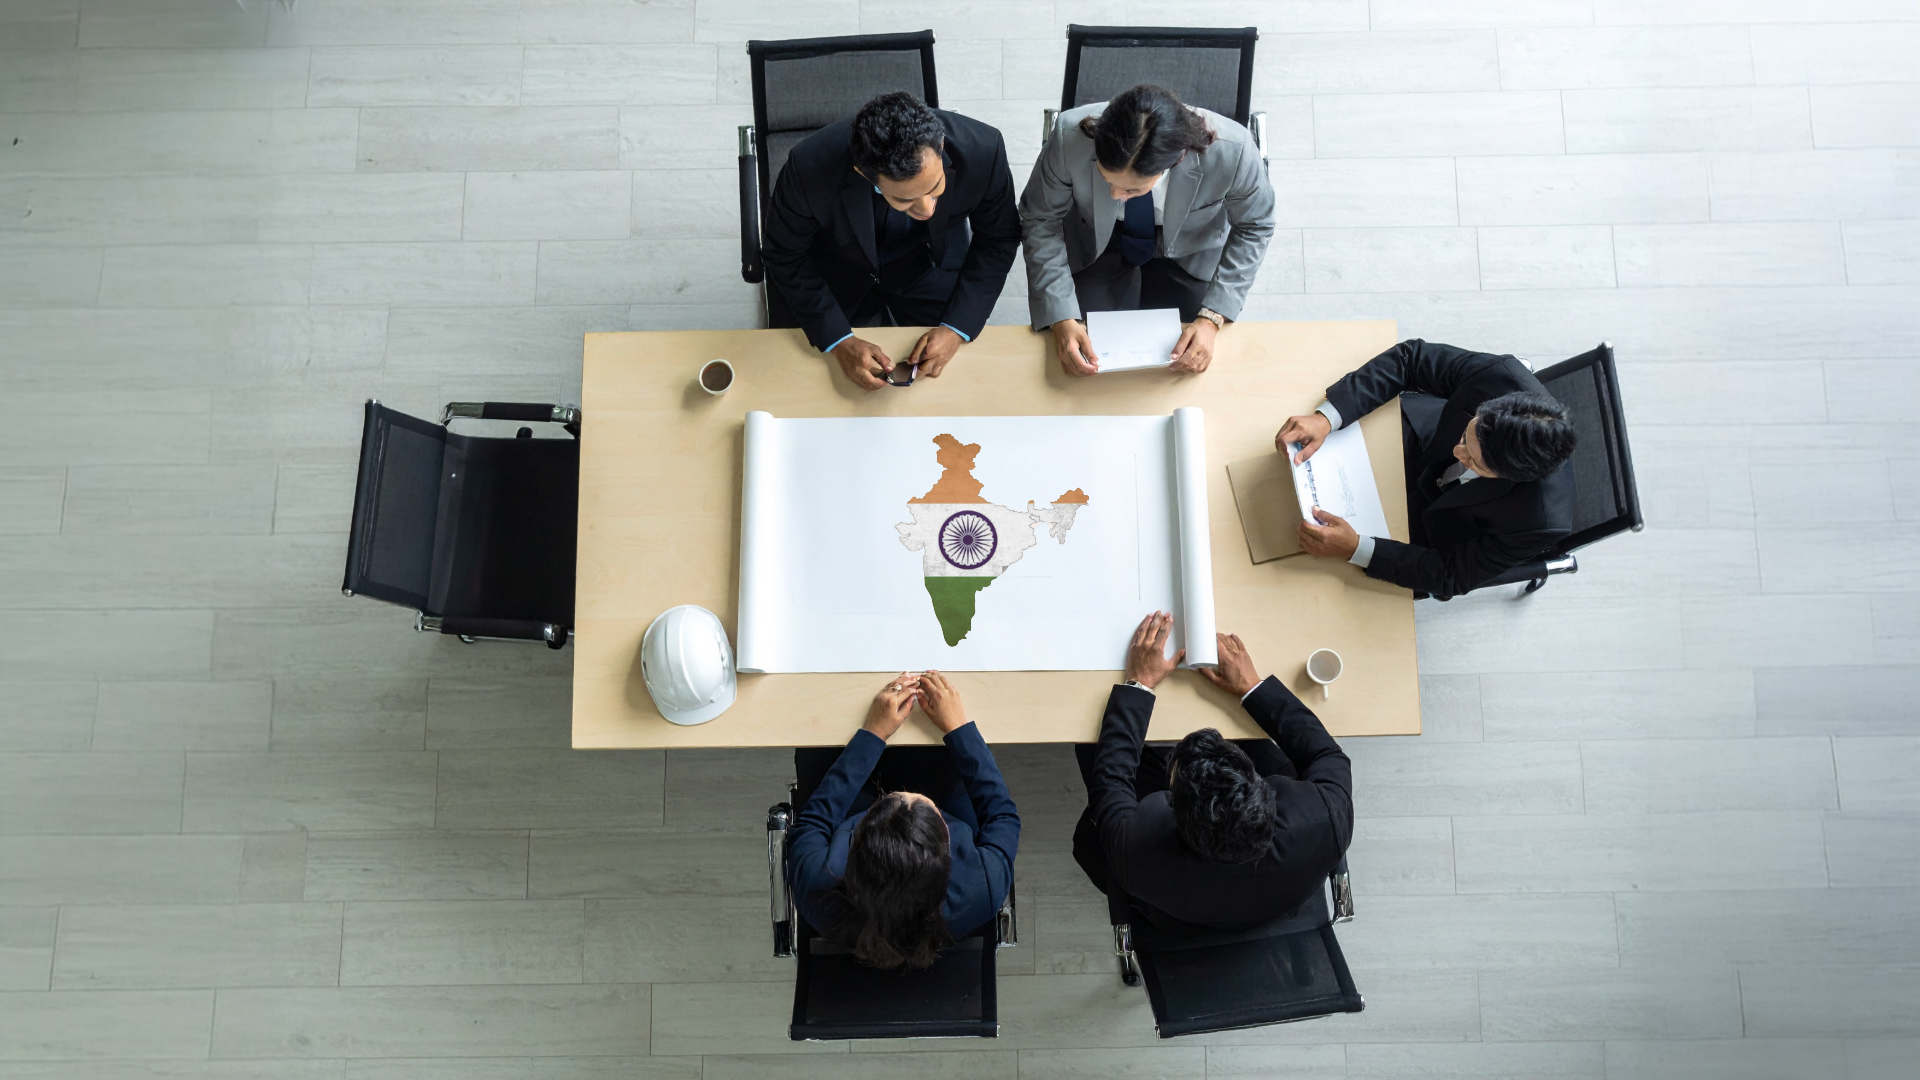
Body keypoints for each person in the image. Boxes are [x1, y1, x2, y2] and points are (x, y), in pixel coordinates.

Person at [1073, 612, 1353, 933]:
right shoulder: (1326, 816)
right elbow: (1326, 754)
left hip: (1182, 908)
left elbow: (1110, 778)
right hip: (1271, 898)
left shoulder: (1134, 848)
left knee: (1090, 745)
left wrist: (1139, 682)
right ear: (1264, 791)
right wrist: (1252, 687)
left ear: (1172, 809)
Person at [1277, 338, 1579, 600]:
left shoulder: (1539, 522)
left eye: (1474, 461)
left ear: (1513, 477)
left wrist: (1356, 549)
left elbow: (1450, 575)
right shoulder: (1500, 376)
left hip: (1426, 528)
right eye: (1466, 436)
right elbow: (1410, 360)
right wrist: (1328, 417)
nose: (1457, 452)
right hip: (1412, 438)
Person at [761, 91, 1021, 391]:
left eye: (935, 186)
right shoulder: (806, 168)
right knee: (803, 385)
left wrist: (956, 328)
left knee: (956, 384)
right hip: (837, 272)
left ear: (942, 146)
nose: (927, 208)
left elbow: (998, 238)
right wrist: (838, 339)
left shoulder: (983, 150)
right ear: (864, 174)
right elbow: (784, 255)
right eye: (906, 199)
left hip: (926, 263)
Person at [1019, 83, 1276, 377]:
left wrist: (1212, 316)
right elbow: (1039, 219)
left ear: (1176, 159)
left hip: (1191, 248)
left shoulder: (1235, 152)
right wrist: (1060, 315)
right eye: (1106, 178)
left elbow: (1256, 225)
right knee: (1085, 360)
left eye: (1131, 188)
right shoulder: (1069, 137)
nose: (1115, 195)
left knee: (1188, 365)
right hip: (1096, 239)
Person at [786, 670, 1020, 970]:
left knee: (821, 734)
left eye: (893, 800)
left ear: (855, 846)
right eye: (915, 801)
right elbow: (1002, 814)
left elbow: (813, 821)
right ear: (945, 847)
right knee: (942, 758)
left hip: (856, 810)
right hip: (933, 813)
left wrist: (872, 735)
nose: (902, 792)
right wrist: (958, 727)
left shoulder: (818, 886)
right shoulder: (983, 885)